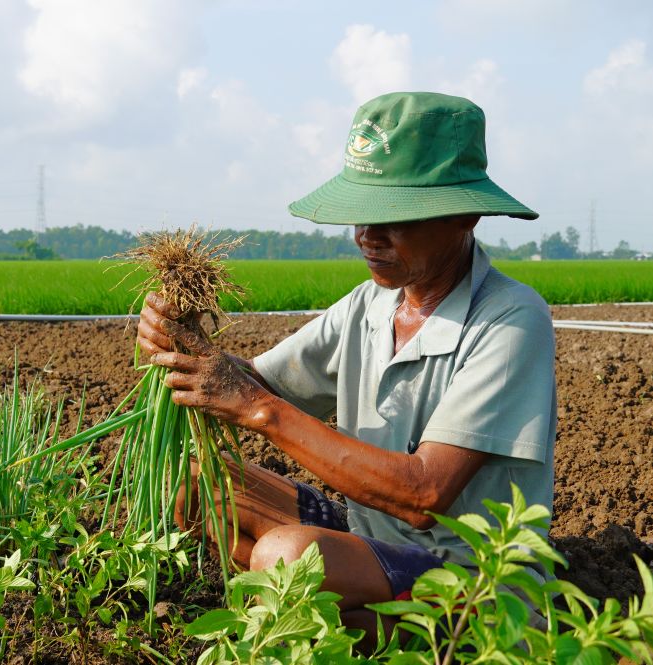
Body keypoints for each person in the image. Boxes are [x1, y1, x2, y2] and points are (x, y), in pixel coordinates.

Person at [137, 91, 556, 640]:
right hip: (370, 542)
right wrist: (187, 348)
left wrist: (257, 410)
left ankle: (406, 635)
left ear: (464, 215)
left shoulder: (510, 319)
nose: (366, 236)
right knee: (193, 488)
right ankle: (345, 626)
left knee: (286, 558)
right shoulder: (371, 304)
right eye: (362, 215)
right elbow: (259, 384)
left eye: (394, 218)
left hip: (473, 580)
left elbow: (423, 495)